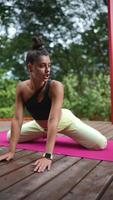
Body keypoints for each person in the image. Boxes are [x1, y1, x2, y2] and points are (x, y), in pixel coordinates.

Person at [0, 36, 107, 172]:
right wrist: (11, 151)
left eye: (49, 65)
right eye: (42, 66)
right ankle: (44, 133)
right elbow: (17, 119)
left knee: (100, 144)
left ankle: (56, 132)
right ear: (30, 67)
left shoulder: (56, 86)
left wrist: (48, 155)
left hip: (62, 120)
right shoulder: (21, 88)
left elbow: (53, 119)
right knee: (10, 136)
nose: (48, 70)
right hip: (40, 126)